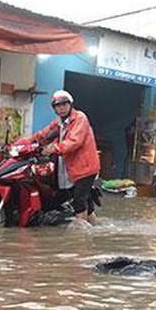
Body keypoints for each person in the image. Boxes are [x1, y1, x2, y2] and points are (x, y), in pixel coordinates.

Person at [29, 90, 100, 224]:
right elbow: (43, 134)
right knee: (85, 204)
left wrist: (53, 148)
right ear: (54, 108)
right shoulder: (59, 122)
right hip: (71, 168)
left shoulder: (80, 118)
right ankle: (94, 231)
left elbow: (75, 141)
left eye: (64, 104)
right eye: (57, 106)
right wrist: (24, 143)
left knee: (78, 201)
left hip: (85, 168)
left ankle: (79, 238)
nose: (61, 108)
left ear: (70, 104)